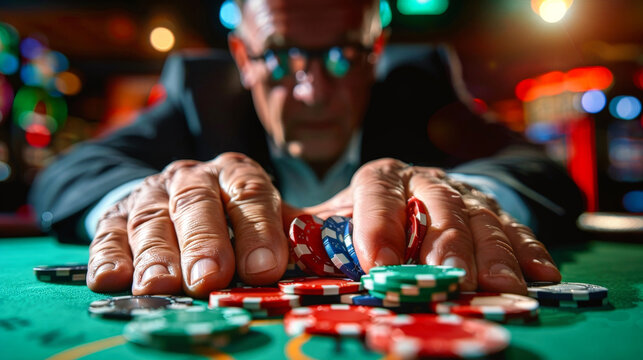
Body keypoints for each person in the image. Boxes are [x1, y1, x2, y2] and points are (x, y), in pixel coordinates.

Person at [29, 0, 584, 299]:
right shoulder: (198, 94)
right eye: (279, 57)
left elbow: (536, 167)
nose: (312, 90)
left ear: (377, 51)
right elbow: (71, 171)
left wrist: (467, 193)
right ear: (242, 59)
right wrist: (148, 200)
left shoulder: (421, 87)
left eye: (343, 55)